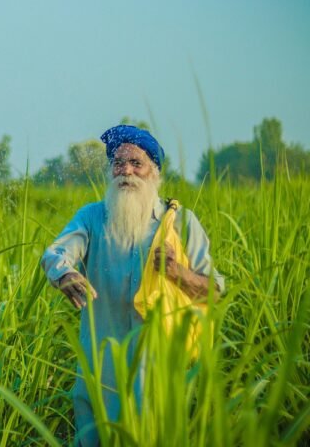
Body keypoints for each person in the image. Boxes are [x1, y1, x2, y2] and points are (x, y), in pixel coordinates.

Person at [40, 125, 224, 446]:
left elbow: (214, 290)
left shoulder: (180, 223)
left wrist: (177, 271)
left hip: (158, 369)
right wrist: (64, 274)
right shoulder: (93, 218)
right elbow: (57, 253)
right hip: (101, 370)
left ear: (154, 171)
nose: (126, 171)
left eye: (136, 163)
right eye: (118, 163)